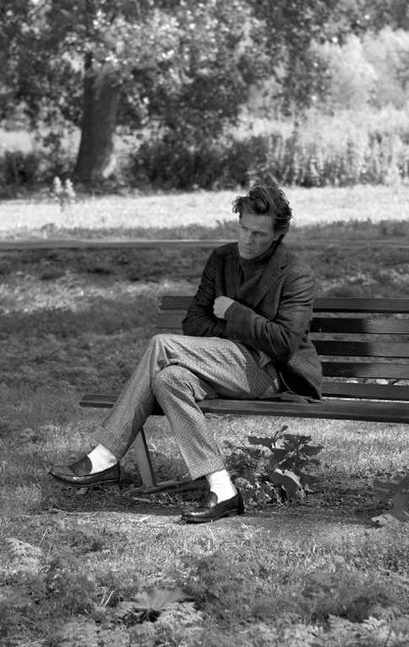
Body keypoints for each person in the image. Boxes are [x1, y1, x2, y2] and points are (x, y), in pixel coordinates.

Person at [49, 185, 322, 523]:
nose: (248, 240)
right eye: (243, 229)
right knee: (169, 379)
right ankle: (223, 489)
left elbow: (283, 344)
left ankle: (105, 455)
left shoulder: (295, 273)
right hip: (225, 362)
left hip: (270, 373)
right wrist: (243, 337)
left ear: (280, 234)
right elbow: (194, 321)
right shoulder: (222, 259)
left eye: (259, 234)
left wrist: (235, 312)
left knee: (162, 344)